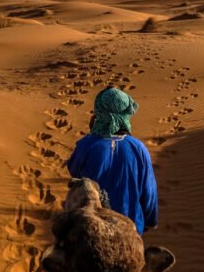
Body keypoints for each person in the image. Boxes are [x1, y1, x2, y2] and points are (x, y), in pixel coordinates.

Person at [65, 86, 158, 235]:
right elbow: (149, 192)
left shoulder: (86, 145)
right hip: (130, 227)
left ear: (98, 112)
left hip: (91, 228)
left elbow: (74, 171)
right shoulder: (139, 149)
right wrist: (150, 221)